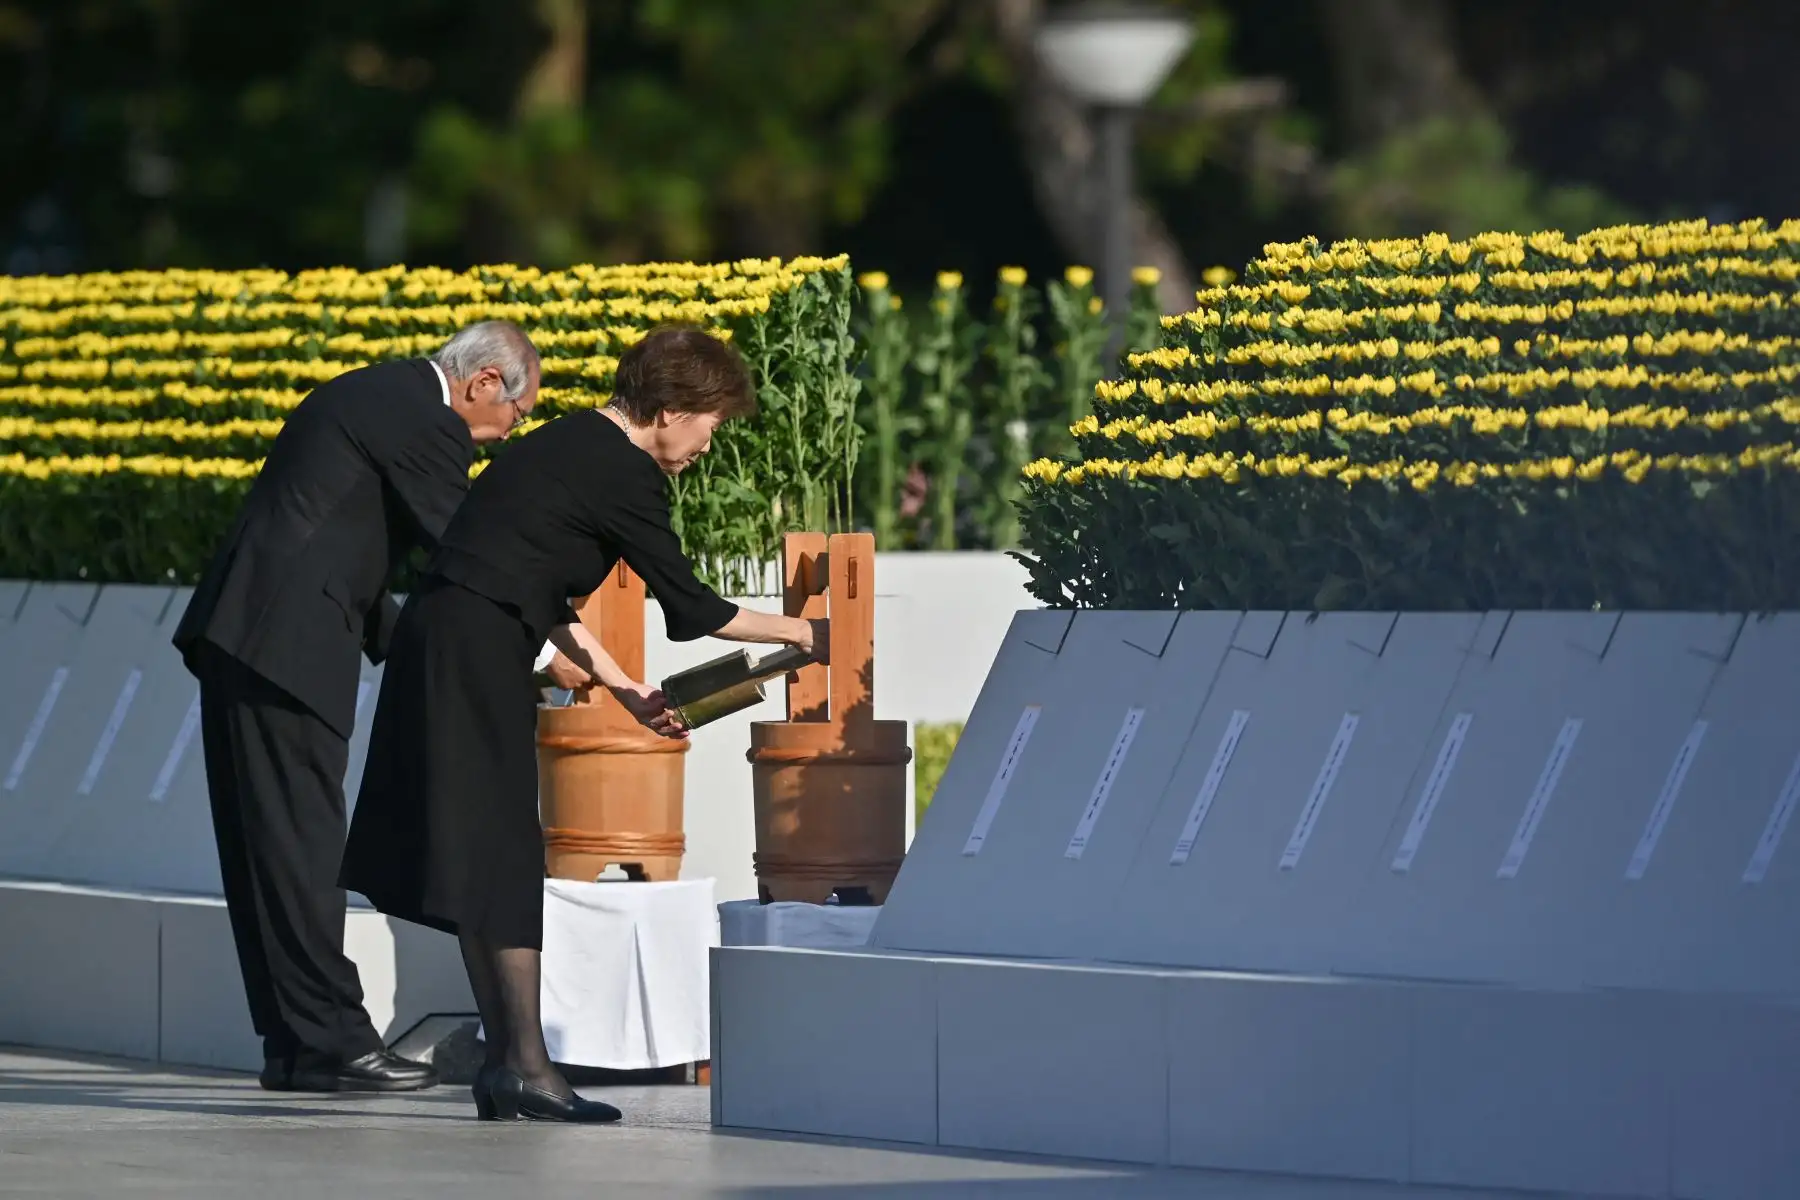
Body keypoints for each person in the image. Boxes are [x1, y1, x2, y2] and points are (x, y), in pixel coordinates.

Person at [339, 326, 824, 1123]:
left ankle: (508, 1065)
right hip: (474, 649)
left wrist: (625, 685)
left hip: (449, 639)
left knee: (484, 851)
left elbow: (537, 590)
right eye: (711, 423)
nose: (710, 442)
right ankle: (526, 1065)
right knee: (502, 849)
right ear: (671, 410)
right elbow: (693, 609)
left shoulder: (564, 441)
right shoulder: (625, 472)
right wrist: (806, 633)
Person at [171, 320, 544, 1093]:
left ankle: (298, 1046)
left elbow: (348, 551)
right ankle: (334, 1042)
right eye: (518, 413)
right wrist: (544, 650)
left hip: (250, 637)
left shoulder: (381, 395)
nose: (509, 433)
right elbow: (467, 550)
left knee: (264, 850)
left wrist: (414, 650)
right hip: (284, 646)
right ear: (482, 385)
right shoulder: (424, 417)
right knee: (301, 849)